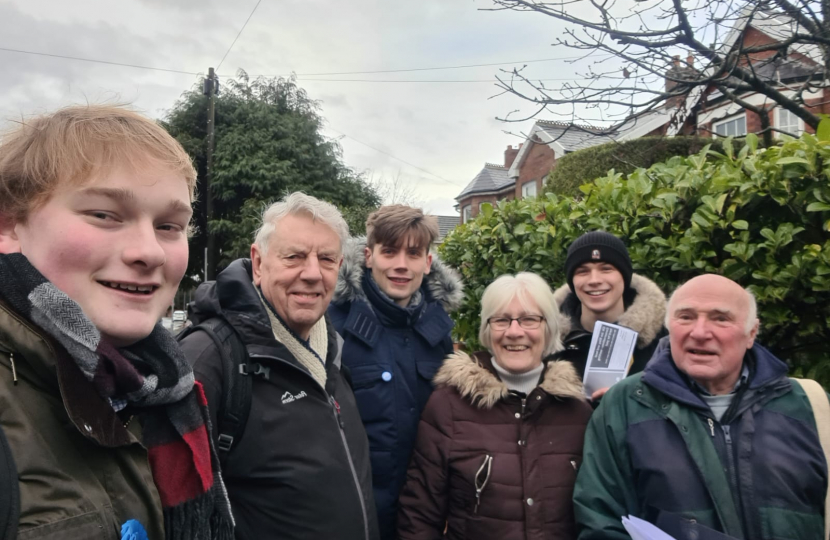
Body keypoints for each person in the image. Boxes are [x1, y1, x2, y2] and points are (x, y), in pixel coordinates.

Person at [0, 106, 233, 539]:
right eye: (105, 215)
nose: (150, 252)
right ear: (9, 224)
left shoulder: (158, 387)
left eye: (169, 225)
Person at [179, 192, 380, 540]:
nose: (313, 274)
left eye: (328, 259)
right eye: (294, 257)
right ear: (258, 263)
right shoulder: (209, 360)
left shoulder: (332, 351)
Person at [574, 274, 828, 540]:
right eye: (686, 317)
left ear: (751, 332)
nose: (699, 332)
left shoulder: (811, 406)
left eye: (720, 318)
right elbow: (601, 520)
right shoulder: (624, 405)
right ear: (669, 326)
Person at [398, 272, 593, 540]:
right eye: (501, 320)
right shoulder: (449, 407)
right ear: (487, 330)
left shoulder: (578, 411)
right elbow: (419, 515)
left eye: (529, 319)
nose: (514, 332)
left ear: (548, 329)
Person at [328, 205, 463, 539]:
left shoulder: (440, 334)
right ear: (369, 255)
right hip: (353, 519)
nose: (401, 265)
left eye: (414, 253)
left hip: (423, 521)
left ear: (428, 263)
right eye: (390, 251)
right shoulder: (333, 327)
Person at [553, 231, 667, 397]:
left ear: (625, 277)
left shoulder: (661, 342)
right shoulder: (548, 341)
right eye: (583, 271)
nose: (594, 280)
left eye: (606, 269)